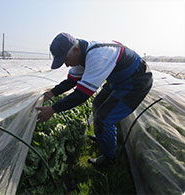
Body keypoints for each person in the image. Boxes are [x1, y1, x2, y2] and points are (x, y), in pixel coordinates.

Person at [36, 32, 153, 168]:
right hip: (117, 80)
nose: (67, 65)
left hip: (135, 81)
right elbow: (71, 81)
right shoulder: (81, 54)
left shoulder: (97, 55)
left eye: (65, 60)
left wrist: (52, 109)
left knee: (104, 118)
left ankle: (110, 159)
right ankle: (103, 137)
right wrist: (50, 94)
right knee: (98, 103)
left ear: (75, 50)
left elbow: (81, 94)